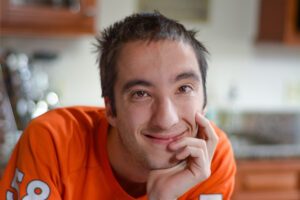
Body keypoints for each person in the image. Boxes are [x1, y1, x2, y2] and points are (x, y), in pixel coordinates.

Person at [0, 12, 236, 200]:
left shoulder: (212, 159)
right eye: (141, 93)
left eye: (184, 89)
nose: (166, 119)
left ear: (204, 101)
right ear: (110, 109)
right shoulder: (53, 142)